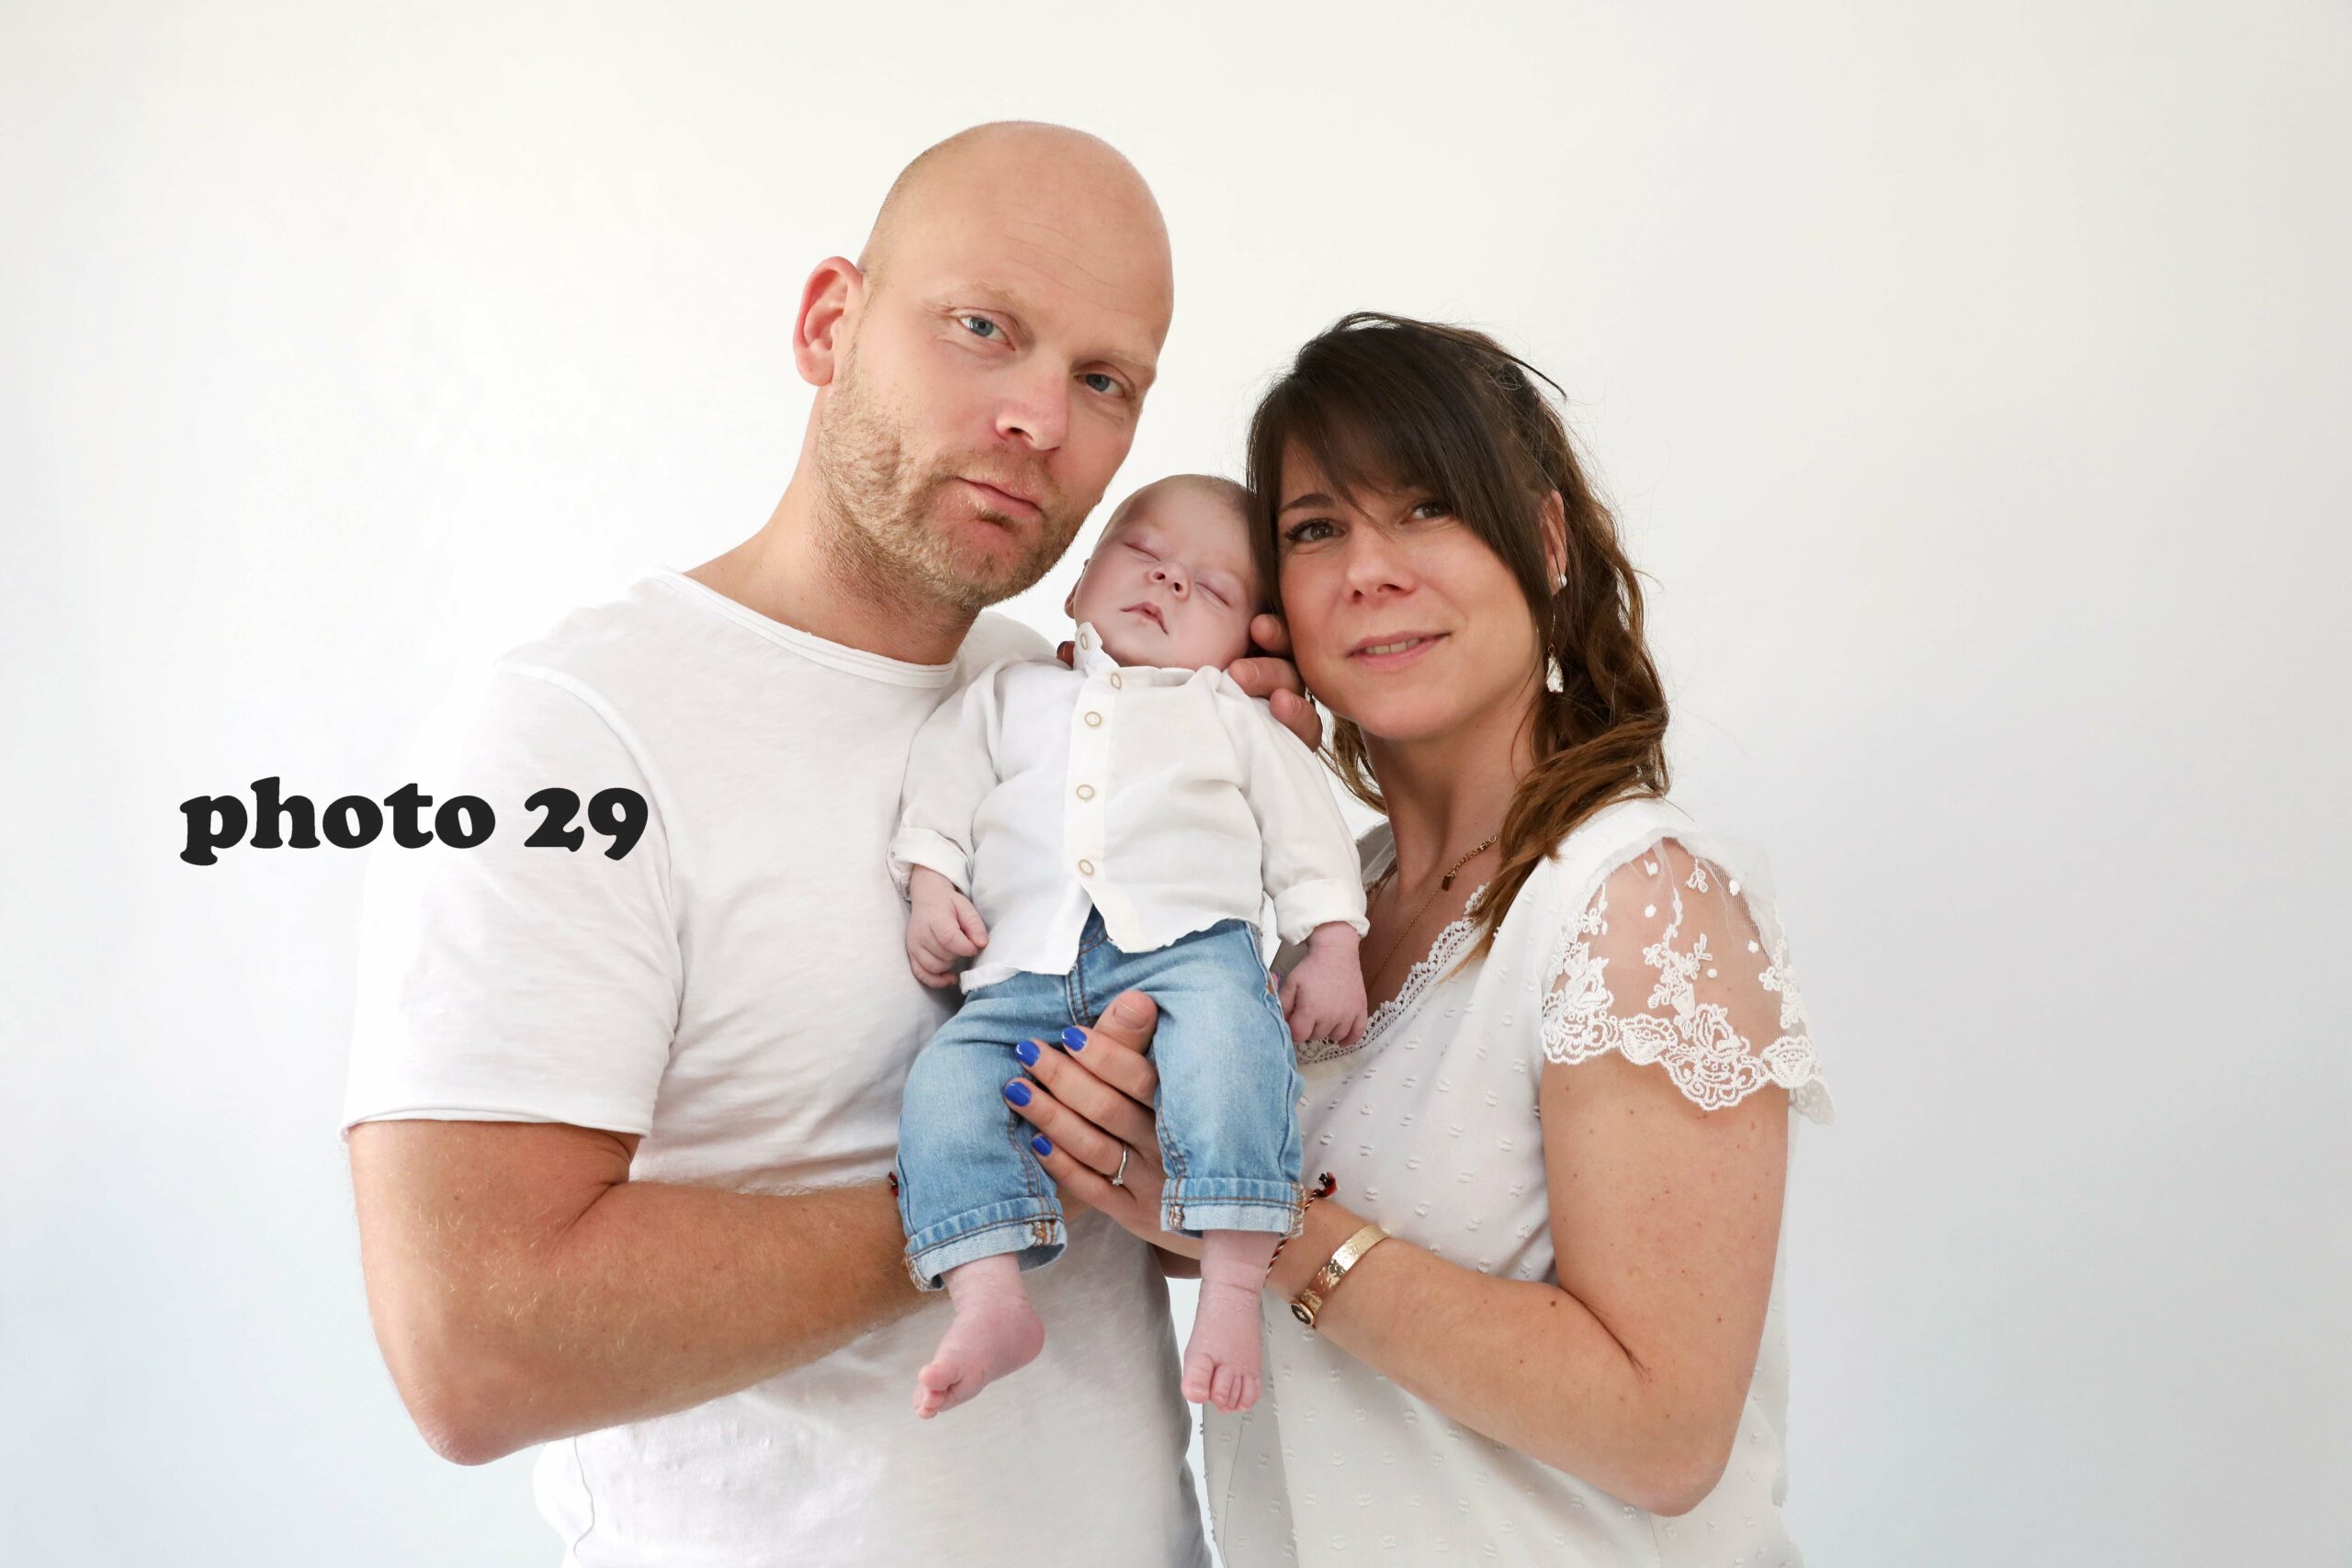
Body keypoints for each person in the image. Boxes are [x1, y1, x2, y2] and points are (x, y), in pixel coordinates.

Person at [341, 122, 1317, 1567]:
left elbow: (1185, 1215)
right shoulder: (568, 738)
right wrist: (1003, 1170)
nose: (1039, 417)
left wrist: (1263, 832)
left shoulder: (1070, 702)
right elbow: (476, 1347)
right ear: (828, 324)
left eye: (1104, 380)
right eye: (983, 328)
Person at [1004, 312, 1836, 1563]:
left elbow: (1664, 1433)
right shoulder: (1335, 905)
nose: (1369, 572)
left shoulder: (1632, 900)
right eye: (1315, 530)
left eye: (1429, 507)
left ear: (1545, 540)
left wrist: (1259, 1223)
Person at [888, 474, 1368, 1419]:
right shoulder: (1006, 694)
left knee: (1234, 1057)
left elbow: (1306, 830)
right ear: (1077, 585)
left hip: (1190, 955)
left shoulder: (1226, 713)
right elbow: (940, 792)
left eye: (1212, 588)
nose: (1170, 581)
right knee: (941, 1088)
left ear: (1249, 648)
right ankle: (988, 1297)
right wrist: (932, 885)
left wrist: (1331, 945)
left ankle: (1231, 1287)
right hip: (1020, 972)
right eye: (1143, 553)